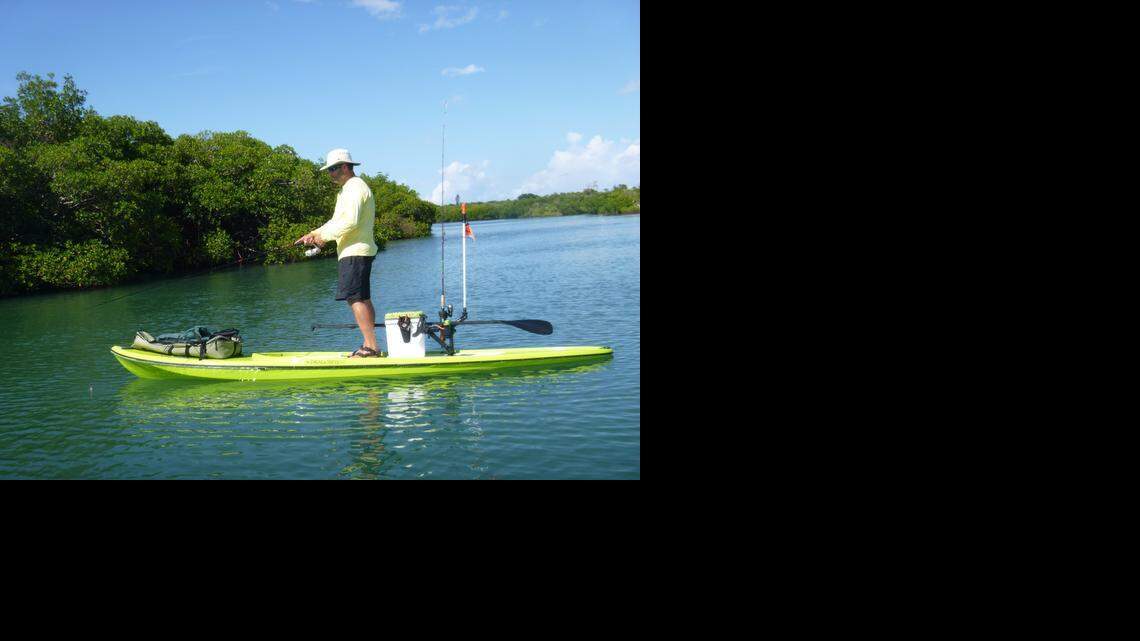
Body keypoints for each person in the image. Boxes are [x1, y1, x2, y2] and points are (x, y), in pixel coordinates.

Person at [296, 149, 380, 357]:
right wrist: (314, 233)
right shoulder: (347, 190)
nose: (330, 173)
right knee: (362, 297)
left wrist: (324, 238)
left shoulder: (354, 188)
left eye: (333, 169)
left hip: (355, 251)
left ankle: (371, 347)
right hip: (356, 250)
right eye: (329, 170)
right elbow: (336, 221)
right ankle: (370, 344)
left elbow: (350, 222)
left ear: (345, 166)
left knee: (355, 298)